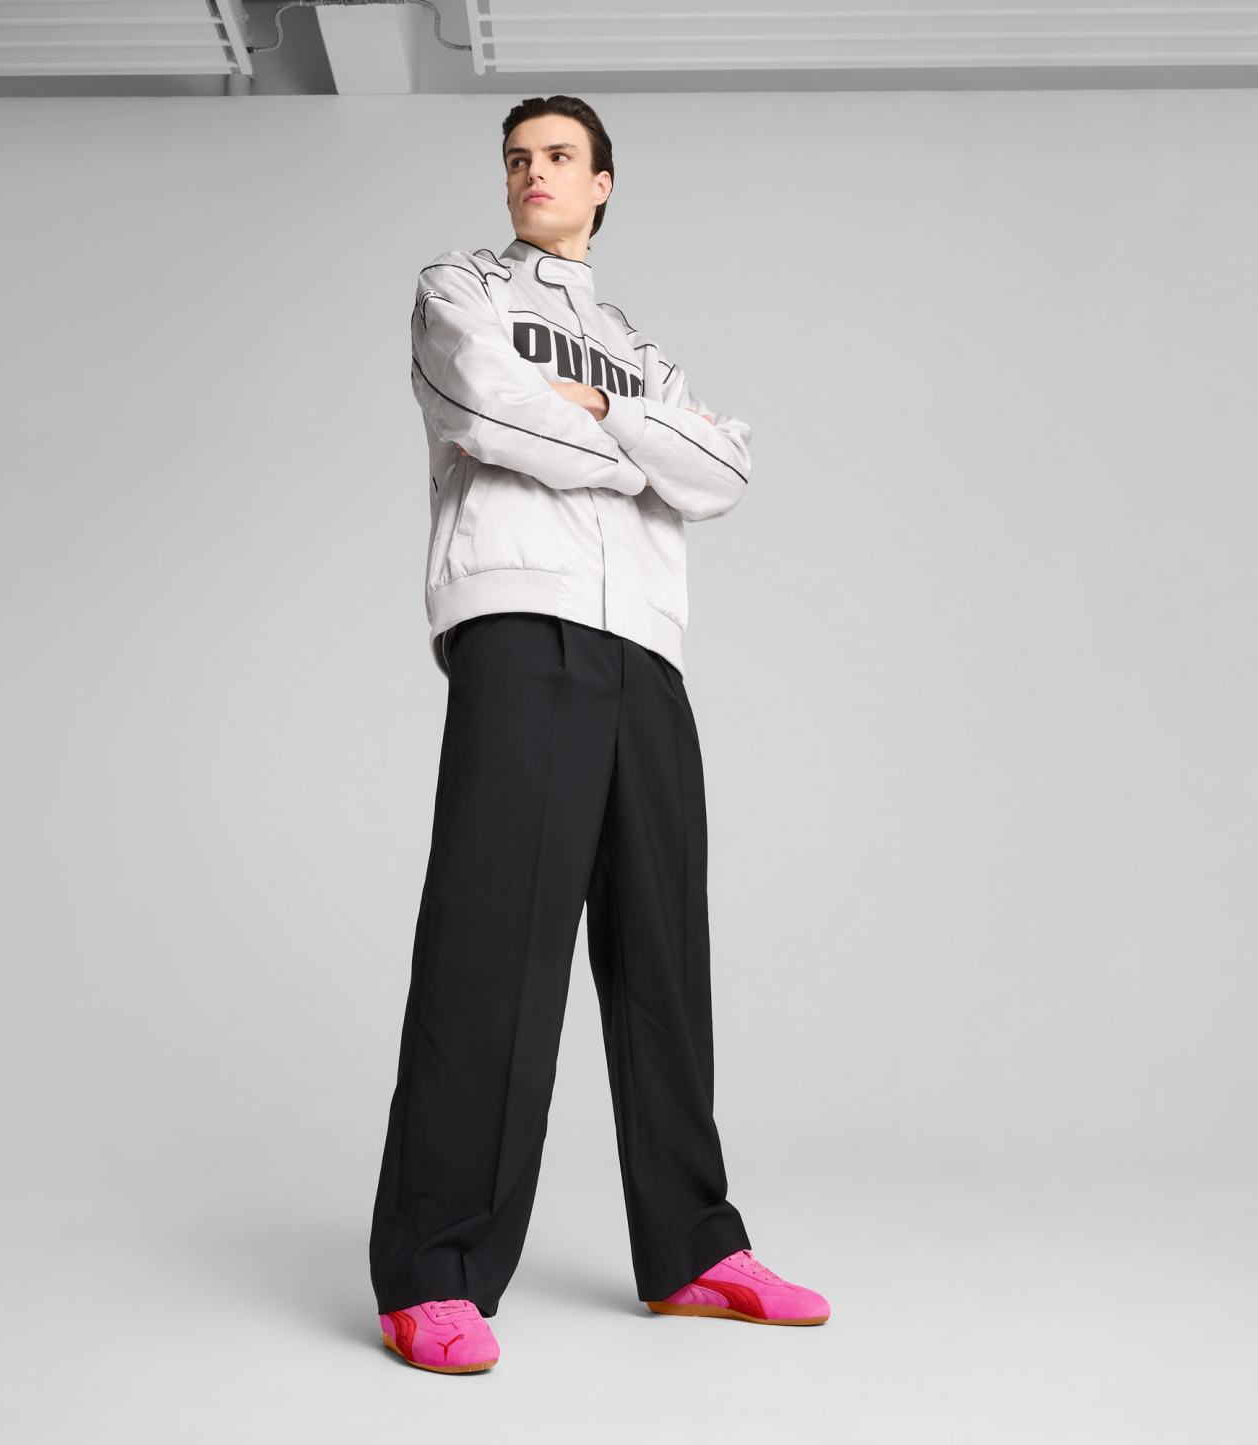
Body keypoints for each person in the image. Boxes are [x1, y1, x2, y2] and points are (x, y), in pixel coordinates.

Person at [369, 94, 831, 1374]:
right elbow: (489, 412)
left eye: (559, 157)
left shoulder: (636, 347)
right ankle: (432, 1270)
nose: (534, 172)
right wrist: (642, 452)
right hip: (520, 624)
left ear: (603, 183)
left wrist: (604, 413)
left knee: (662, 956)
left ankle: (689, 1248)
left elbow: (722, 472)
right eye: (518, 158)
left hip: (647, 649)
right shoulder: (457, 286)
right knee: (491, 945)